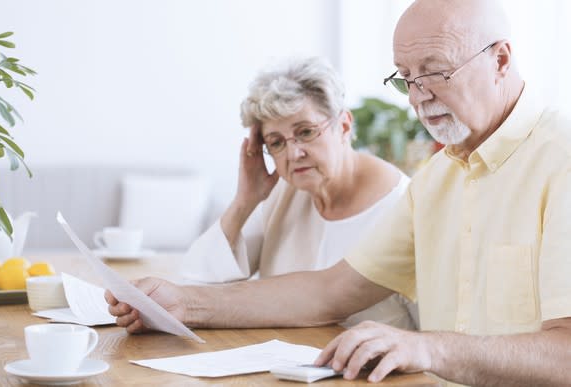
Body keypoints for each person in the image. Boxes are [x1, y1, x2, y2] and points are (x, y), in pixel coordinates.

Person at [107, 0, 571, 385]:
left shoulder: (561, 161)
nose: (416, 96)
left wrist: (429, 347)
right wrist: (180, 303)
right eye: (405, 76)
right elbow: (330, 291)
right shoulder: (436, 180)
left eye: (434, 72)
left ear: (501, 59)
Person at [178, 56, 416, 329]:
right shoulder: (285, 193)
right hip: (280, 365)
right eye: (276, 142)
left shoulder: (403, 203)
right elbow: (194, 285)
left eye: (305, 132)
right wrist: (245, 201)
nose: (293, 153)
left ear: (344, 126)